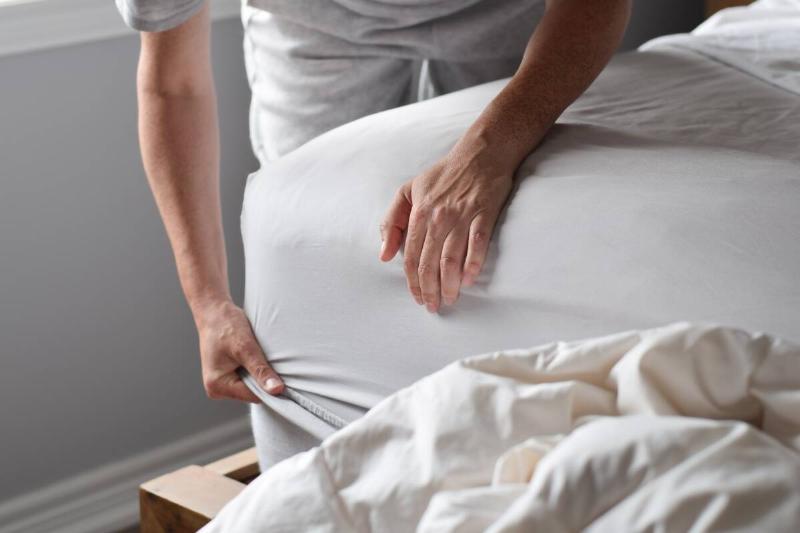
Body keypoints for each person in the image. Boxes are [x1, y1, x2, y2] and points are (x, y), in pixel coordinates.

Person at [117, 0, 630, 407]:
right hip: (314, 25)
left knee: (500, 249)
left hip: (504, 17)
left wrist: (488, 154)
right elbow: (173, 85)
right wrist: (208, 304)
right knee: (317, 259)